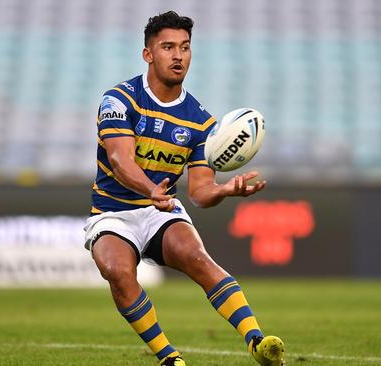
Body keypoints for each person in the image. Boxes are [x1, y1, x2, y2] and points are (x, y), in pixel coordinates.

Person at [83, 10, 285, 366]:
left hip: (160, 210)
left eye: (185, 47)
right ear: (148, 54)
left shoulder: (201, 121)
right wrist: (151, 189)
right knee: (117, 270)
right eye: (168, 47)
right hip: (114, 212)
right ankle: (169, 357)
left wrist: (225, 191)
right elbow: (120, 161)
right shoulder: (120, 100)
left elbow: (199, 192)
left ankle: (257, 341)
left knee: (198, 259)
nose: (178, 56)